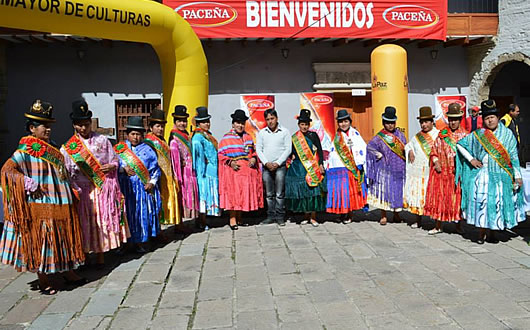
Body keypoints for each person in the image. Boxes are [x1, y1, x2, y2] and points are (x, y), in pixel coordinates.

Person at [0, 100, 85, 295]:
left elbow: (61, 173)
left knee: (63, 239)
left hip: (61, 202)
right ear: (32, 128)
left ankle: (68, 272)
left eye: (48, 126)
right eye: (43, 126)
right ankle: (43, 278)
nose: (48, 129)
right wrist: (27, 183)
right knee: (43, 241)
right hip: (41, 205)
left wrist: (71, 188)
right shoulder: (24, 151)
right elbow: (7, 171)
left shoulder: (52, 146)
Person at [61, 100, 129, 268]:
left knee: (99, 222)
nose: (84, 128)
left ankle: (100, 256)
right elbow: (66, 172)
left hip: (100, 189)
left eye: (86, 124)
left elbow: (115, 160)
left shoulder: (102, 140)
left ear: (90, 123)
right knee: (84, 223)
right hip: (82, 191)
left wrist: (111, 166)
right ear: (74, 125)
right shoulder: (69, 148)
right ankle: (84, 255)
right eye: (80, 125)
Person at [456, 100, 525, 244]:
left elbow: (513, 156)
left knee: (497, 204)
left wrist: (517, 175)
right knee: (483, 203)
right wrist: (471, 159)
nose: (490, 120)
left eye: (492, 117)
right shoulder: (479, 134)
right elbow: (460, 145)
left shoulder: (507, 134)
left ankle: (493, 232)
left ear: (497, 117)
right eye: (487, 118)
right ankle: (481, 234)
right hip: (484, 175)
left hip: (501, 176)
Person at [116, 116, 161, 252]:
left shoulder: (148, 151)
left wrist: (152, 183)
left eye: (138, 134)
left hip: (141, 190)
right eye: (132, 134)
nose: (135, 137)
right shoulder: (119, 150)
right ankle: (124, 243)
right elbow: (113, 166)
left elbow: (155, 170)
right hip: (125, 189)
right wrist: (122, 169)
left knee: (140, 215)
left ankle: (139, 242)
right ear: (127, 134)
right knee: (125, 216)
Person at [424, 103, 468, 235]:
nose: (453, 122)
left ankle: (458, 225)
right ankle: (438, 225)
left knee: (457, 200)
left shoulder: (466, 136)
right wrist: (436, 161)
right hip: (442, 173)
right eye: (451, 119)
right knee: (440, 198)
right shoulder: (442, 134)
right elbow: (434, 151)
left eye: (455, 119)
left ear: (460, 119)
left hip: (457, 175)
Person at [218, 109, 264, 230]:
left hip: (246, 173)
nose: (240, 125)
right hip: (233, 173)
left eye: (242, 123)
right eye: (238, 123)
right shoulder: (226, 138)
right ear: (233, 124)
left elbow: (253, 152)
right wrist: (230, 162)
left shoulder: (248, 137)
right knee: (234, 195)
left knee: (242, 195)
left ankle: (240, 218)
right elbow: (221, 155)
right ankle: (232, 219)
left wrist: (254, 158)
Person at [366, 106, 407, 226]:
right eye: (388, 123)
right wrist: (378, 154)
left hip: (399, 169)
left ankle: (396, 214)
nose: (390, 125)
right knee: (385, 192)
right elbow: (370, 147)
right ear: (383, 123)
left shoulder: (400, 135)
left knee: (397, 191)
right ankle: (383, 215)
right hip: (385, 169)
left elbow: (405, 147)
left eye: (392, 123)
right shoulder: (379, 137)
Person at [285, 109, 326, 226]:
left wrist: (321, 164)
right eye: (302, 124)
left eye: (306, 124)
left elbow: (320, 150)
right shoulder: (295, 138)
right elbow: (291, 152)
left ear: (309, 125)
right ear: (299, 125)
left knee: (313, 192)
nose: (304, 127)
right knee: (303, 193)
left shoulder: (314, 135)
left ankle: (313, 217)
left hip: (313, 167)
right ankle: (305, 216)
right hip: (299, 167)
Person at [326, 109, 367, 223]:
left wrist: (359, 162)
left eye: (345, 121)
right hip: (338, 168)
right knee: (340, 191)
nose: (343, 124)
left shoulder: (355, 134)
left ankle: (349, 213)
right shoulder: (337, 136)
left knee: (348, 192)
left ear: (350, 121)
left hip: (350, 168)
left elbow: (361, 148)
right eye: (340, 122)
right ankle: (342, 212)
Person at [144, 109, 182, 231]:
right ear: (151, 127)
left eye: (162, 126)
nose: (160, 129)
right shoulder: (149, 142)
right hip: (156, 177)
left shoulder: (162, 140)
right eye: (157, 126)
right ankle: (157, 232)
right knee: (157, 205)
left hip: (167, 175)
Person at [404, 106, 439, 228]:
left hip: (431, 171)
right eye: (422, 122)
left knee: (433, 196)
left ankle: (436, 222)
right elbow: (408, 146)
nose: (424, 125)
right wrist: (410, 151)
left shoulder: (438, 135)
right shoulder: (417, 137)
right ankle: (418, 219)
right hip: (418, 172)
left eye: (426, 122)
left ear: (432, 122)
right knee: (418, 194)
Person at [256, 109, 291, 226]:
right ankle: (270, 216)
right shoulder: (262, 133)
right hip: (267, 167)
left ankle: (280, 217)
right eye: (268, 119)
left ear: (277, 118)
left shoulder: (285, 132)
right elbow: (259, 150)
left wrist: (278, 162)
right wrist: (266, 163)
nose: (270, 121)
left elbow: (288, 149)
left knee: (279, 193)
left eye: (272, 118)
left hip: (280, 166)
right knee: (269, 194)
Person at [191, 107, 221, 229]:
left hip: (212, 170)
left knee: (208, 195)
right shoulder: (198, 138)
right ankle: (201, 221)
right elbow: (197, 155)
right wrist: (201, 168)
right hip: (205, 171)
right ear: (198, 123)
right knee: (204, 194)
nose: (207, 124)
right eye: (204, 122)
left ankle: (205, 219)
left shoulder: (207, 135)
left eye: (208, 121)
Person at [169, 105, 199, 221]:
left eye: (184, 121)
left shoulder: (186, 135)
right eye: (179, 121)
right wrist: (178, 177)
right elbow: (175, 161)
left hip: (190, 172)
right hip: (182, 174)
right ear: (175, 122)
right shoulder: (174, 139)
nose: (182, 123)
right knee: (182, 197)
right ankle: (179, 224)